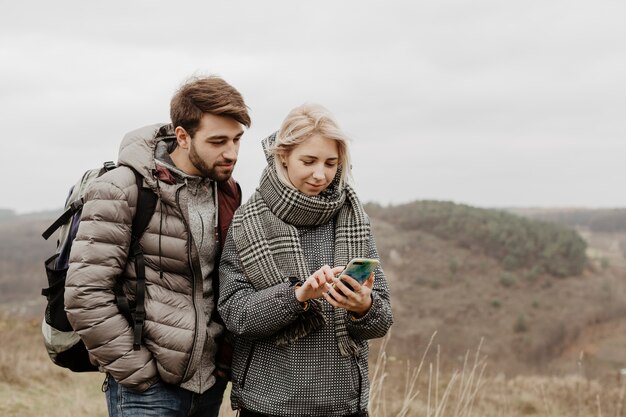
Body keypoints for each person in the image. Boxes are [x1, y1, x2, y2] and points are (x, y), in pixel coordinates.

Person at [64, 75, 251, 417]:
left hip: (209, 384)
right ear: (182, 136)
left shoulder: (226, 190)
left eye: (238, 140)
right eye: (218, 141)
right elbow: (85, 294)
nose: (231, 153)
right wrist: (138, 372)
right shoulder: (123, 188)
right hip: (148, 389)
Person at [218, 103, 393, 417]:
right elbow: (235, 314)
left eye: (331, 163)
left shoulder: (353, 220)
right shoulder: (247, 222)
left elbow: (382, 320)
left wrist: (362, 306)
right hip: (268, 405)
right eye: (309, 161)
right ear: (283, 155)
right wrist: (297, 296)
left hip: (344, 405)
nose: (321, 174)